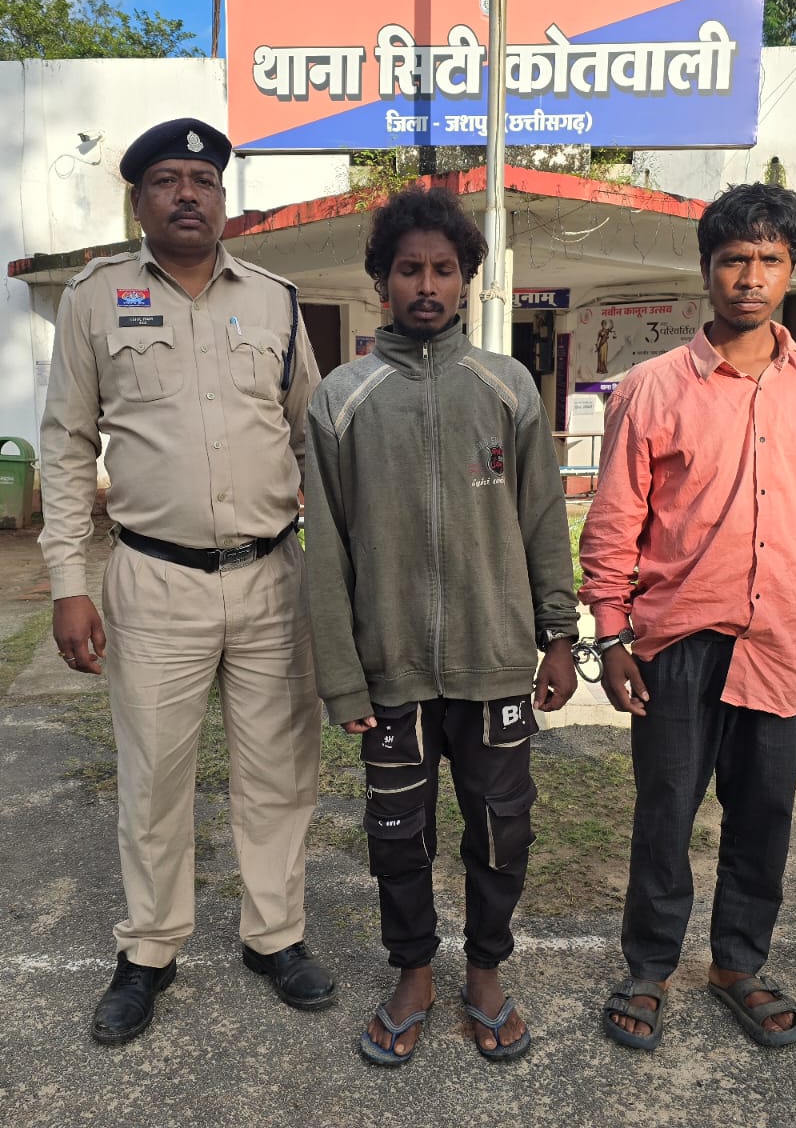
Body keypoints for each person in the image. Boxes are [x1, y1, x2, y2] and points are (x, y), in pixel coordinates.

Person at [38, 117, 334, 1046]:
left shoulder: (277, 302)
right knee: (154, 777)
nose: (187, 195)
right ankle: (150, 950)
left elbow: (312, 438)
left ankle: (274, 936)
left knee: (278, 773)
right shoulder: (94, 299)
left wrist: (335, 574)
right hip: (154, 579)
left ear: (223, 197)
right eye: (167, 180)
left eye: (203, 180)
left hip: (271, 577)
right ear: (139, 199)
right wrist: (67, 581)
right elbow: (66, 444)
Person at [302, 184, 579, 1066]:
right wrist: (343, 676)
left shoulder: (507, 386)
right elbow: (325, 550)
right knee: (398, 837)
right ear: (381, 280)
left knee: (501, 830)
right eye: (410, 269)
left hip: (494, 662)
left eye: (445, 270)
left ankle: (486, 970)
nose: (428, 285)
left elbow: (543, 521)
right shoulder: (342, 399)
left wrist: (559, 635)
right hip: (391, 670)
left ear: (467, 280)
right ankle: (414, 974)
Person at [579, 183, 796, 1051]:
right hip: (677, 642)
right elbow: (614, 524)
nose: (751, 277)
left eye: (770, 259)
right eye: (734, 258)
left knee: (764, 812)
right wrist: (611, 634)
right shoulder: (652, 388)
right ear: (706, 269)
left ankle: (739, 962)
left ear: (791, 270)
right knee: (665, 809)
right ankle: (649, 967)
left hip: (777, 643)